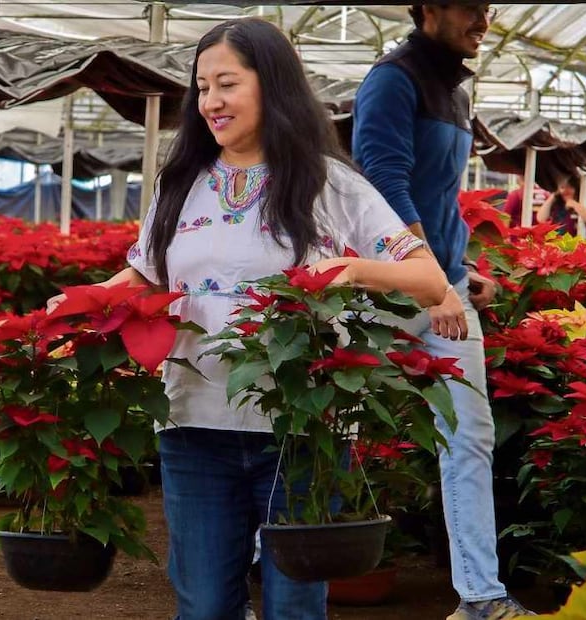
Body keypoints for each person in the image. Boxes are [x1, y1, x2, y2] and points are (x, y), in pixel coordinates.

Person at [50, 17, 453, 620]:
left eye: (227, 84)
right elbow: (145, 275)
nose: (210, 101)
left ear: (272, 84)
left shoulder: (330, 183)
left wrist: (350, 269)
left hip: (301, 429)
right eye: (201, 87)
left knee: (294, 607)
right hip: (193, 425)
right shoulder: (180, 184)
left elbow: (429, 280)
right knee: (205, 606)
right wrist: (74, 306)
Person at [351, 4, 536, 620]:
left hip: (444, 285)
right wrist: (432, 280)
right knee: (324, 424)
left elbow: (437, 194)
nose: (484, 20)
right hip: (387, 291)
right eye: (470, 8)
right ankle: (257, 566)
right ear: (429, 8)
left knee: (469, 436)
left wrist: (461, 268)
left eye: (489, 8)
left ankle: (480, 598)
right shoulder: (392, 78)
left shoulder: (454, 87)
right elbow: (384, 185)